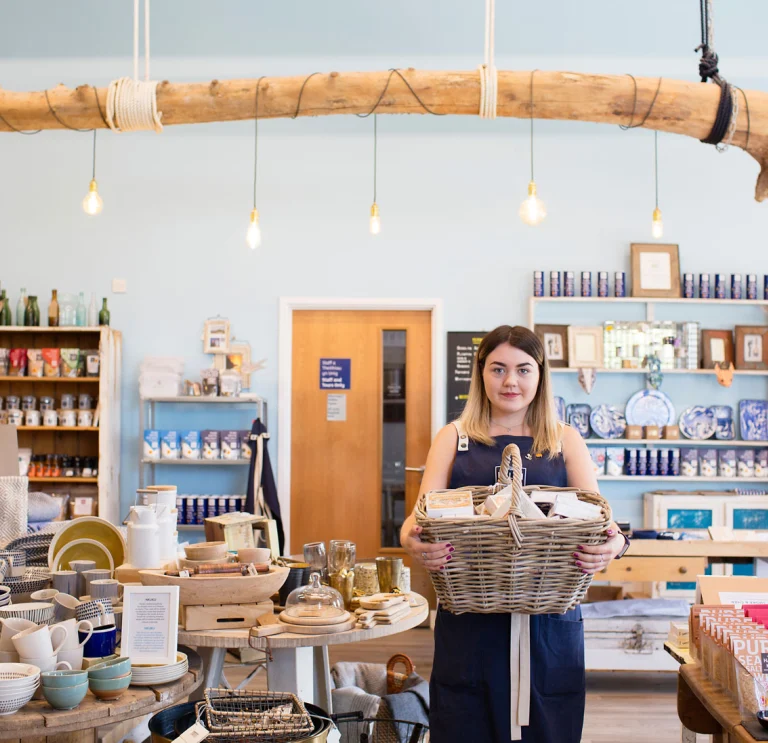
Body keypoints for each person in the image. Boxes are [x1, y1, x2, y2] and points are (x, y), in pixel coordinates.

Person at [400, 325, 628, 743]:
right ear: (481, 373)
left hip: (548, 624)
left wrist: (615, 545)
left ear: (540, 375)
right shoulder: (454, 438)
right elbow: (415, 520)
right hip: (471, 621)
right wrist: (412, 542)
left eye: (523, 369)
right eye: (498, 369)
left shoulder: (565, 440)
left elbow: (604, 522)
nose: (510, 381)